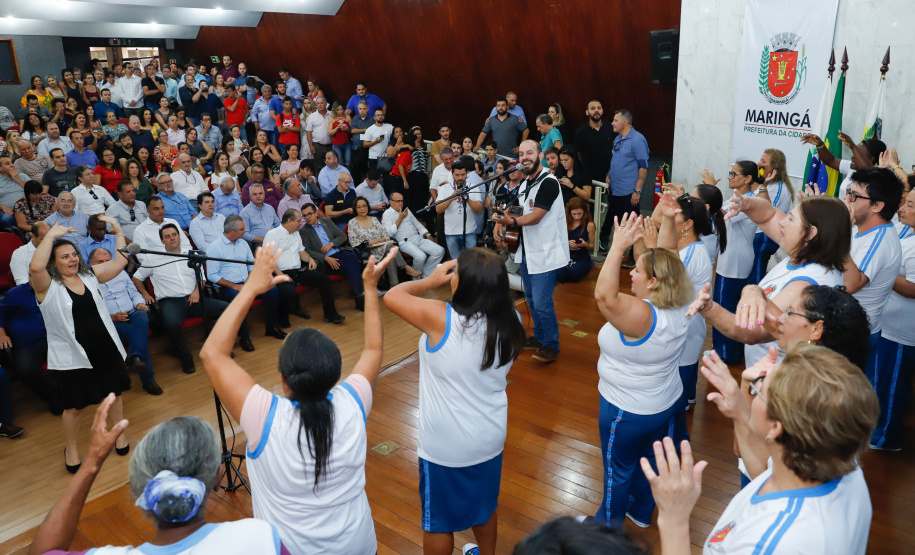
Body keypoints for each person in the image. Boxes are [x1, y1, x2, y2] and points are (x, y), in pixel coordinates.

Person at [198, 246, 393, 554]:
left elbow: (212, 354)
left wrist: (251, 287)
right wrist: (369, 288)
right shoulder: (353, 402)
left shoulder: (266, 418)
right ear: (334, 373)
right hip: (358, 543)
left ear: (282, 378)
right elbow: (373, 350)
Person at [647, 343, 878, 554]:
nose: (753, 383)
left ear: (776, 428)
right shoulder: (838, 460)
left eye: (759, 388)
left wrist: (673, 520)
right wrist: (740, 409)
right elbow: (767, 474)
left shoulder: (770, 544)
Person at [384, 249, 525, 555]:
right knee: (484, 507)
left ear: (465, 284)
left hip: (446, 447)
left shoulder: (441, 318)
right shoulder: (512, 318)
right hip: (490, 437)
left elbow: (392, 296)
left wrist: (429, 280)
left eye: (457, 273)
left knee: (438, 522)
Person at [29, 400, 290, 554]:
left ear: (139, 488)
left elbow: (44, 552)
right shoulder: (261, 538)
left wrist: (91, 465)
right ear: (218, 476)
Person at [591, 212, 693, 528]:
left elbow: (605, 297)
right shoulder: (678, 299)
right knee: (649, 460)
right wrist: (651, 247)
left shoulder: (642, 317)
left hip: (626, 410)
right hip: (664, 402)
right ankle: (641, 511)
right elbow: (671, 260)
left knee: (617, 471)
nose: (631, 273)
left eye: (637, 270)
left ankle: (606, 533)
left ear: (652, 282)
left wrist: (617, 247)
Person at [696, 193, 850, 374]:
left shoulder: (807, 284)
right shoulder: (803, 253)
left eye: (791, 219)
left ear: (811, 233)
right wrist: (745, 203)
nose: (783, 222)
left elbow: (752, 331)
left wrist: (709, 309)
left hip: (775, 381)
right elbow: (768, 214)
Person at [30, 217, 135, 473]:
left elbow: (121, 262)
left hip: (104, 346)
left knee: (114, 394)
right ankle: (72, 448)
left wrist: (118, 230)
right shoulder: (46, 287)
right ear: (54, 263)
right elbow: (35, 268)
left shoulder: (89, 275)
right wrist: (50, 237)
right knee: (75, 406)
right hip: (74, 355)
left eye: (74, 254)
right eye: (64, 257)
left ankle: (118, 434)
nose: (72, 259)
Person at [839, 167, 903, 440]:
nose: (848, 200)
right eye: (849, 193)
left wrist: (837, 233)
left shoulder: (879, 239)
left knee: (839, 405)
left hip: (854, 332)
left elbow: (852, 284)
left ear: (877, 205)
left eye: (854, 196)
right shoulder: (862, 228)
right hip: (846, 324)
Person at [493, 140, 570, 363]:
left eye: (530, 153)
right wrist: (501, 221)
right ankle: (539, 337)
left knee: (542, 301)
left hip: (544, 252)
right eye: (522, 153)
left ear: (541, 155)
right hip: (527, 251)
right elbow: (515, 206)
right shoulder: (527, 181)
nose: (525, 157)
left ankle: (551, 345)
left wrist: (511, 221)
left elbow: (536, 216)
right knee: (531, 298)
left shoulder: (548, 182)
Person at [868, 187, 915, 450]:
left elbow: (913, 288)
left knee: (893, 385)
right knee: (882, 382)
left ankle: (886, 438)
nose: (901, 209)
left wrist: (882, 272)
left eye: (909, 205)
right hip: (889, 326)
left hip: (902, 332)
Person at [88, 248, 159, 395]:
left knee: (142, 315)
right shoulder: (87, 282)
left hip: (133, 311)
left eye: (108, 261)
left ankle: (135, 357)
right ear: (91, 263)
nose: (105, 265)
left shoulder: (121, 273)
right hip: (112, 320)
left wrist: (139, 303)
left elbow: (134, 293)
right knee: (138, 337)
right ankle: (147, 378)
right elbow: (92, 310)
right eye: (100, 262)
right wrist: (112, 316)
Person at [205, 215, 286, 344]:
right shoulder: (214, 248)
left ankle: (272, 327)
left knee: (273, 291)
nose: (245, 232)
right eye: (242, 229)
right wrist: (235, 286)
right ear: (232, 231)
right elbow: (212, 275)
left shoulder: (242, 243)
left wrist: (250, 280)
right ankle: (244, 337)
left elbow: (250, 264)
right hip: (229, 287)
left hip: (247, 281)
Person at [265, 210, 346, 324]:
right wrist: (281, 275)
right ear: (290, 221)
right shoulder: (273, 234)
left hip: (297, 270)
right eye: (298, 221)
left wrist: (310, 259)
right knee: (288, 291)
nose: (301, 223)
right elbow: (268, 258)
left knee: (323, 278)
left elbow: (302, 252)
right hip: (280, 272)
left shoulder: (296, 232)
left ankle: (330, 314)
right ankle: (281, 319)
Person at [598, 110, 648, 253]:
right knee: (614, 217)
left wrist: (637, 191)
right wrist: (609, 176)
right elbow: (615, 160)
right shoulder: (618, 139)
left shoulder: (638, 140)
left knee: (633, 223)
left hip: (629, 191)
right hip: (615, 189)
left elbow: (643, 168)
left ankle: (635, 254)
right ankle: (606, 244)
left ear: (624, 122)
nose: (612, 123)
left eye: (615, 120)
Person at [300, 202, 365, 310]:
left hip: (337, 251)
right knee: (352, 267)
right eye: (304, 215)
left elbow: (342, 236)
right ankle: (358, 296)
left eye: (309, 214)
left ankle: (356, 291)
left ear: (316, 213)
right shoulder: (304, 231)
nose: (307, 217)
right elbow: (307, 250)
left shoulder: (326, 221)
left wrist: (331, 244)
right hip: (325, 260)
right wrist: (325, 258)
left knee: (353, 257)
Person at [349, 196, 419, 285]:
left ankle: (394, 285)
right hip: (368, 252)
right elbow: (353, 243)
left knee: (389, 252)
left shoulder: (374, 219)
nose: (362, 209)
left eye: (364, 206)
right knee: (390, 250)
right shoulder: (352, 223)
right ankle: (405, 267)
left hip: (382, 248)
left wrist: (381, 239)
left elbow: (385, 235)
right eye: (359, 207)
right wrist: (371, 242)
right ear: (355, 208)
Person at [801, 131, 886, 200]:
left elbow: (869, 173)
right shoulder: (852, 167)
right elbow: (830, 160)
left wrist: (853, 146)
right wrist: (820, 145)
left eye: (857, 153)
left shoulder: (879, 176)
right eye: (854, 152)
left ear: (871, 158)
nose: (853, 156)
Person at [383, 191, 444, 278]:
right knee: (421, 256)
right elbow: (389, 233)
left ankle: (425, 274)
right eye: (398, 201)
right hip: (404, 242)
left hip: (417, 238)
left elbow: (417, 224)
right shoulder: (387, 214)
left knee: (439, 251)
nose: (401, 203)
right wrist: (400, 219)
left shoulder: (406, 210)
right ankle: (416, 278)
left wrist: (428, 234)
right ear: (390, 202)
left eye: (402, 201)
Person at [437, 160, 483, 258]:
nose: (460, 178)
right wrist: (451, 198)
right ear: (452, 174)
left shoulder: (474, 188)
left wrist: (467, 199)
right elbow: (438, 209)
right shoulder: (445, 188)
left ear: (467, 173)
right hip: (451, 233)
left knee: (470, 263)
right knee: (455, 263)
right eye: (457, 175)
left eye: (463, 174)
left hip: (469, 232)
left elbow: (479, 210)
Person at [557, 197, 595, 284]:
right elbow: (555, 242)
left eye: (579, 214)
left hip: (581, 257)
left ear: (584, 212)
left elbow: (592, 246)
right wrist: (566, 243)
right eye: (574, 214)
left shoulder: (589, 225)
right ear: (569, 213)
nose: (577, 217)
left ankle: (589, 266)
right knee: (560, 275)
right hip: (566, 256)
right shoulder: (564, 222)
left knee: (574, 273)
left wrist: (585, 244)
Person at [305, 96, 332, 170]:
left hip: (330, 146)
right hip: (317, 146)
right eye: (318, 103)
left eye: (321, 103)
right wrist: (311, 146)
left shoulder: (332, 114)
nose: (319, 105)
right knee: (318, 167)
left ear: (326, 104)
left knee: (331, 165)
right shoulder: (312, 116)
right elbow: (309, 132)